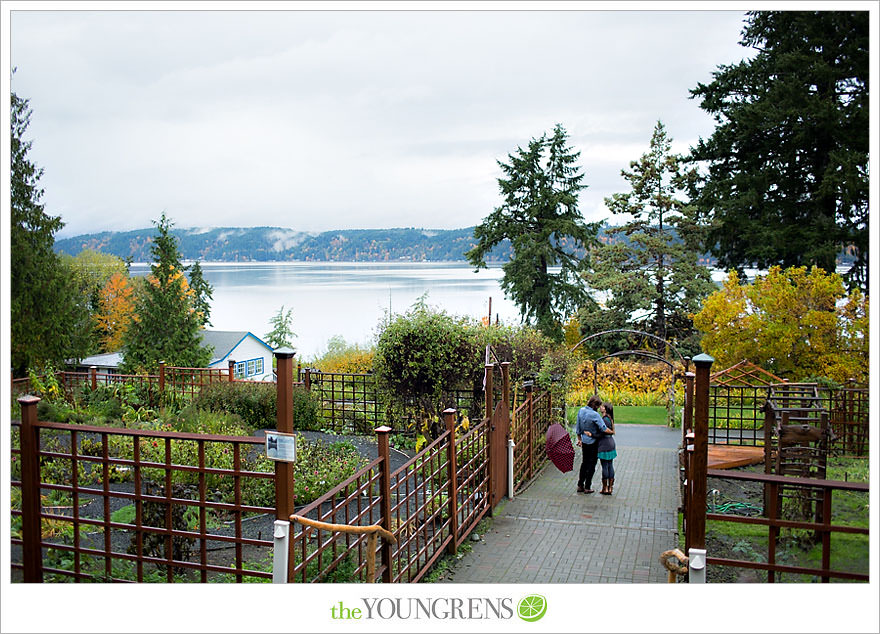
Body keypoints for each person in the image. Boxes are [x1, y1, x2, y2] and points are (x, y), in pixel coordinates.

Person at [575, 395, 610, 494]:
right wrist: (612, 431)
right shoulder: (594, 415)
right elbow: (603, 428)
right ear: (596, 405)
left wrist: (579, 439)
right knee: (592, 464)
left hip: (584, 441)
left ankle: (580, 485)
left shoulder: (581, 411)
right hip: (593, 442)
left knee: (584, 463)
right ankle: (587, 486)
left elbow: (578, 427)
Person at [596, 402, 617, 495]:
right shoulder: (610, 419)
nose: (600, 407)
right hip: (611, 443)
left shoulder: (604, 420)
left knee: (605, 466)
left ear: (605, 409)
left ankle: (605, 488)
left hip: (604, 444)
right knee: (610, 465)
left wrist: (591, 434)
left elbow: (601, 432)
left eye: (602, 406)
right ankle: (610, 487)